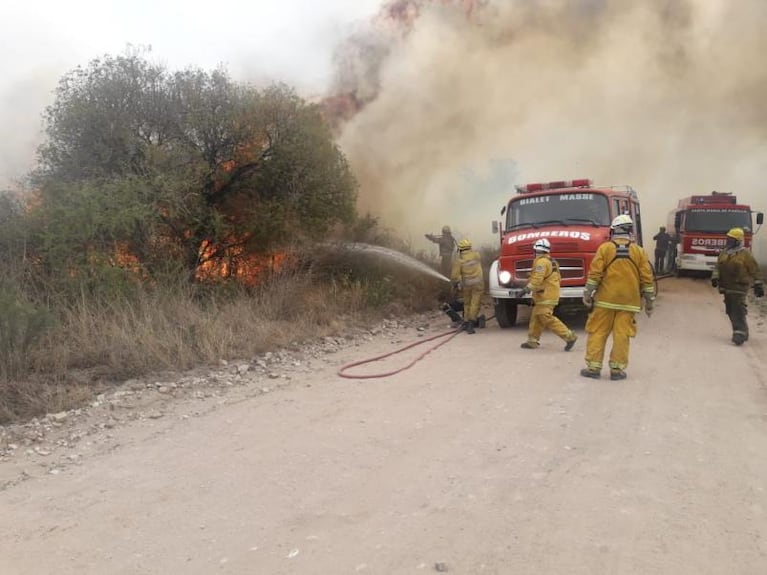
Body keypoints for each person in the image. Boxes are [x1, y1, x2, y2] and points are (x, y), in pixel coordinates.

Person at [580, 214, 655, 380]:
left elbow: (595, 274)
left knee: (598, 332)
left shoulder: (605, 249)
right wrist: (649, 302)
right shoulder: (639, 251)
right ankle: (617, 370)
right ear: (630, 231)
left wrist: (588, 293)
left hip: (605, 301)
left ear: (614, 230)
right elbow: (647, 279)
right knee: (622, 336)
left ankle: (593, 368)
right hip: (629, 302)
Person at [519, 238, 578, 351]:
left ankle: (569, 336)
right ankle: (532, 341)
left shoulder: (541, 262)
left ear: (536, 250)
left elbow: (537, 279)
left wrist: (526, 289)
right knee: (536, 317)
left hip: (545, 295)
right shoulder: (552, 261)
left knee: (545, 316)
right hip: (549, 293)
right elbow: (554, 277)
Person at [710, 227, 764, 345]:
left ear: (737, 241)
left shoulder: (745, 254)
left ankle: (740, 333)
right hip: (726, 286)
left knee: (738, 308)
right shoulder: (724, 253)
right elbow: (718, 267)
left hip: (739, 286)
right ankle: (739, 330)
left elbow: (754, 269)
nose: (728, 241)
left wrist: (758, 284)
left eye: (731, 239)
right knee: (730, 309)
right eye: (728, 239)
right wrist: (715, 277)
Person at [451, 238, 484, 334]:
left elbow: (454, 276)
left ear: (460, 249)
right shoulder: (477, 255)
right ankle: (471, 322)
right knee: (475, 303)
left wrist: (455, 284)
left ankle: (467, 322)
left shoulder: (459, 260)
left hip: (467, 285)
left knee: (467, 303)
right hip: (478, 284)